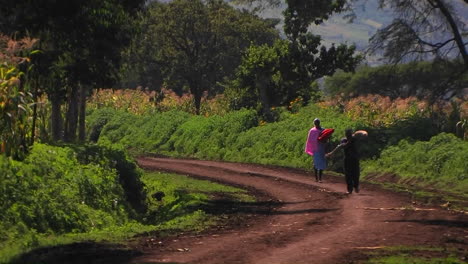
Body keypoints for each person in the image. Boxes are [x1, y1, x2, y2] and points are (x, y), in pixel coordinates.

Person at [326, 129, 363, 194]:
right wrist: (331, 153)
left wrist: (362, 133)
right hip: (348, 159)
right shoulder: (345, 140)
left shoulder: (354, 139)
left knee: (356, 174)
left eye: (350, 134)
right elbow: (342, 146)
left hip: (355, 159)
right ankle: (350, 189)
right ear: (346, 135)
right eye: (348, 134)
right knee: (348, 175)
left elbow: (363, 133)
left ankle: (356, 186)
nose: (349, 135)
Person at [305, 118, 327, 182]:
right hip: (315, 149)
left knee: (321, 163)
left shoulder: (323, 130)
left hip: (322, 148)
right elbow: (309, 140)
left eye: (317, 122)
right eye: (315, 123)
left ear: (319, 123)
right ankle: (316, 178)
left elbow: (326, 138)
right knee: (316, 163)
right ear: (314, 123)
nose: (316, 124)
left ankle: (320, 178)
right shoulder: (312, 130)